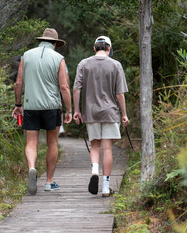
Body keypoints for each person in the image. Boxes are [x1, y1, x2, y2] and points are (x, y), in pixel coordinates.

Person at [12, 28, 72, 195]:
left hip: (31, 106)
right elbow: (64, 86)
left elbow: (18, 83)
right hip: (52, 107)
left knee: (31, 143)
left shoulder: (26, 56)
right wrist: (69, 110)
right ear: (55, 43)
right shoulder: (59, 58)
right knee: (52, 142)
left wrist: (18, 104)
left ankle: (32, 167)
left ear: (41, 40)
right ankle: (49, 182)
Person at [73, 36, 129, 197]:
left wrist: (77, 111)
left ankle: (94, 170)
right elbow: (120, 94)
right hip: (110, 112)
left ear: (94, 48)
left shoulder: (83, 64)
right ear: (109, 49)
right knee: (107, 148)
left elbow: (77, 89)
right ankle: (105, 187)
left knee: (95, 146)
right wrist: (124, 115)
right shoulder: (115, 65)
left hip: (90, 112)